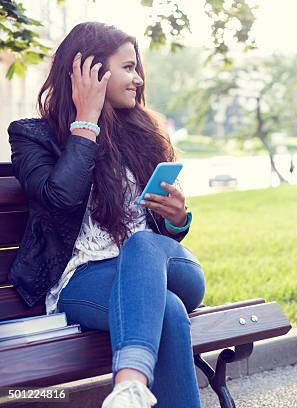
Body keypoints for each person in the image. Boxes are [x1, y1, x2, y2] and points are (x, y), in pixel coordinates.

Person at [8, 22, 205, 407]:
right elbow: (60, 198)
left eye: (137, 68)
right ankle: (131, 387)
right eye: (127, 68)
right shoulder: (32, 136)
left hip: (165, 266)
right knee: (167, 310)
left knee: (145, 244)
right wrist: (87, 120)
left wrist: (177, 218)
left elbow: (163, 234)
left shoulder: (145, 132)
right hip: (83, 280)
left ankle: (129, 381)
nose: (138, 80)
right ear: (91, 71)